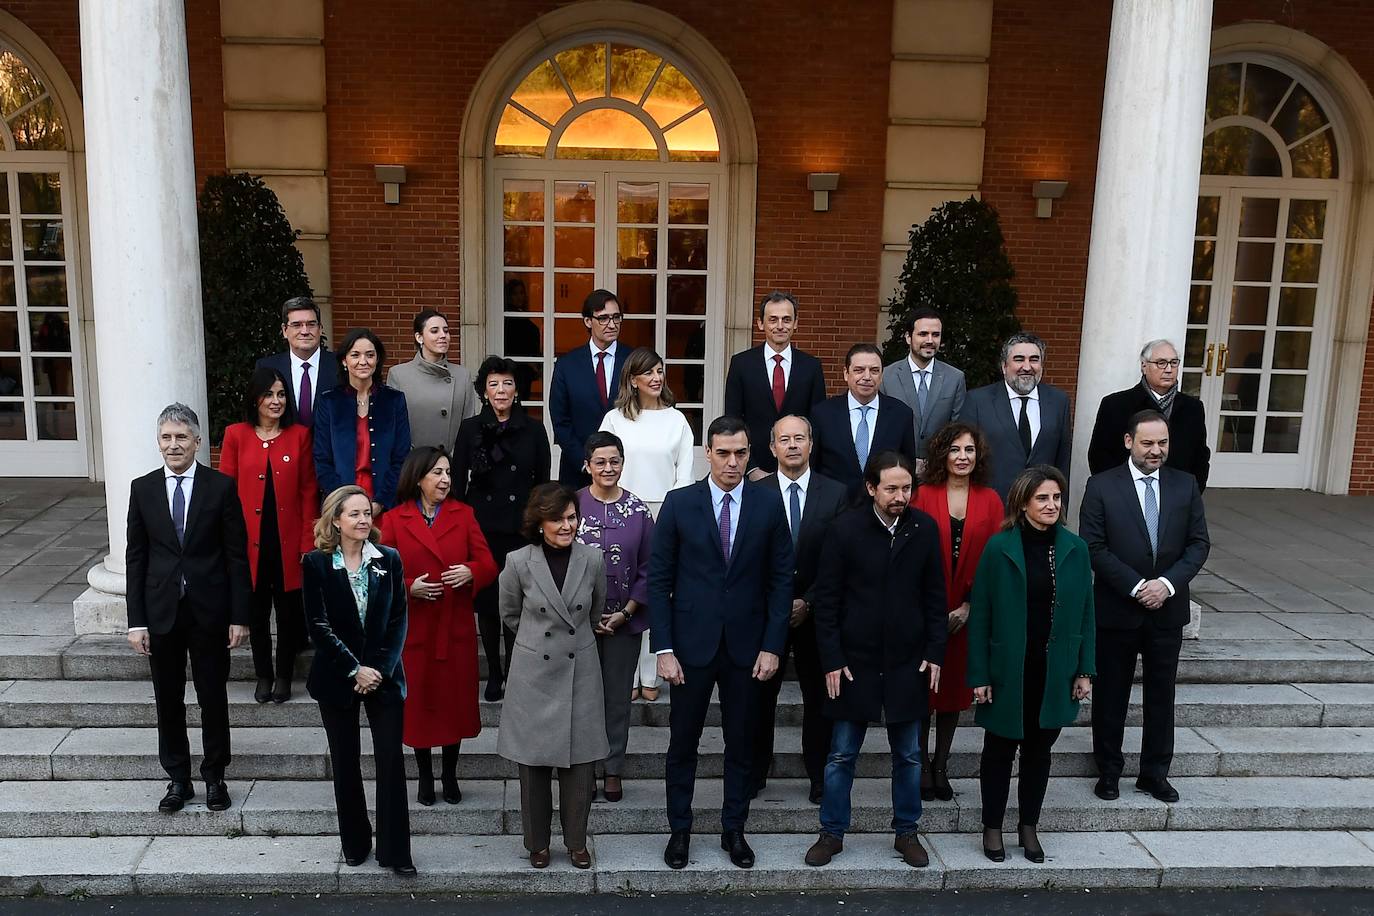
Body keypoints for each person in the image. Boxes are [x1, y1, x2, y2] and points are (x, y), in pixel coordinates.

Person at [648, 415, 794, 871]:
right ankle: (680, 831)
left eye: (741, 453)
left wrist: (773, 646)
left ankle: (735, 830)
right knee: (682, 745)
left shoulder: (769, 506)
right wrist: (664, 648)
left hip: (748, 649)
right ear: (707, 454)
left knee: (742, 746)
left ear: (751, 454)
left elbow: (780, 581)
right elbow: (659, 580)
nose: (733, 462)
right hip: (690, 647)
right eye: (724, 453)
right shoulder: (678, 503)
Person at [804, 450, 947, 869]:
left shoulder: (924, 529)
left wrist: (934, 651)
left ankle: (907, 833)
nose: (901, 496)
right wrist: (831, 658)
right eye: (892, 489)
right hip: (854, 662)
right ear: (871, 488)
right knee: (841, 755)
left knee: (909, 756)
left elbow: (936, 598)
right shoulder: (845, 529)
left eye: (906, 488)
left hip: (908, 662)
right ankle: (831, 833)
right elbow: (826, 601)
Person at [126, 403, 252, 813]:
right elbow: (136, 558)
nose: (174, 444)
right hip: (161, 610)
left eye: (182, 437)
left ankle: (215, 775)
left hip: (210, 610)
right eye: (167, 437)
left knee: (212, 695)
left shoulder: (220, 487)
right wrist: (136, 621)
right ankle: (178, 779)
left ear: (198, 442)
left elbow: (236, 556)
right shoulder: (142, 489)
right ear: (158, 442)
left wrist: (239, 615)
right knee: (168, 698)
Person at [1081, 409, 1210, 804]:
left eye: (1162, 443)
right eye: (1148, 443)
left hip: (1166, 610)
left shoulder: (1185, 485)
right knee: (1111, 695)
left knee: (1161, 694)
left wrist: (1166, 585)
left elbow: (1198, 544)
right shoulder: (1101, 486)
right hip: (1118, 609)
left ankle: (1155, 773)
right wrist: (1138, 586)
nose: (1156, 451)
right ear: (1128, 442)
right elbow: (1094, 546)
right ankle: (1108, 771)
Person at [967, 466, 1095, 864]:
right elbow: (981, 614)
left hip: (1054, 669)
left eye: (1056, 498)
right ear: (1023, 503)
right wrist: (979, 674)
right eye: (1042, 498)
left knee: (1040, 753)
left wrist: (1085, 670)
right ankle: (992, 827)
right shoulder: (999, 547)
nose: (1051, 505)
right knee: (999, 751)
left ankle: (1028, 826)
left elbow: (1087, 613)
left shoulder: (1076, 548)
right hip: (1008, 670)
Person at [302, 485, 414, 876]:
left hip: (383, 678)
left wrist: (377, 670)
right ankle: (355, 843)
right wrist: (354, 669)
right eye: (354, 514)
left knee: (390, 762)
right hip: (337, 678)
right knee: (345, 763)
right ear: (335, 520)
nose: (364, 520)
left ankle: (396, 852)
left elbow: (398, 620)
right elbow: (318, 625)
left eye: (367, 513)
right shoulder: (315, 563)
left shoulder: (389, 559)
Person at [497, 483, 608, 870]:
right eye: (558, 518)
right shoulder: (517, 561)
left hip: (580, 668)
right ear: (539, 521)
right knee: (533, 766)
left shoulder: (592, 559)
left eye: (572, 517)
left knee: (580, 766)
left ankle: (577, 842)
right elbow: (510, 614)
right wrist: (531, 643)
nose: (567, 525)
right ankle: (537, 844)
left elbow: (594, 614)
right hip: (534, 674)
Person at [380, 446, 498, 806]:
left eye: (448, 473)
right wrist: (408, 586)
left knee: (453, 705)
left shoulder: (464, 515)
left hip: (454, 626)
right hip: (415, 629)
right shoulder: (395, 520)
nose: (446, 479)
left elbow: (488, 563)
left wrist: (470, 572)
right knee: (419, 705)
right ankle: (425, 776)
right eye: (437, 473)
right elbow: (379, 571)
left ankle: (449, 774)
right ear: (418, 479)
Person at [750, 414, 847, 804]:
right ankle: (754, 771)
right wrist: (776, 603)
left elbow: (841, 559)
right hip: (764, 614)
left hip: (817, 613)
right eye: (784, 439)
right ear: (772, 448)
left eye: (799, 438)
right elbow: (747, 558)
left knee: (820, 700)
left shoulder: (837, 493)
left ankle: (819, 775)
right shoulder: (754, 492)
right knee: (758, 698)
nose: (792, 445)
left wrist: (809, 600)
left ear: (812, 444)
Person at [911, 421, 1002, 802]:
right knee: (922, 694)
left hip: (969, 614)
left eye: (968, 450)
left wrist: (970, 606)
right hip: (924, 612)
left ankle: (941, 766)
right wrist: (933, 611)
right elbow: (909, 557)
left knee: (952, 694)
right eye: (954, 450)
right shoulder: (922, 495)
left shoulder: (992, 499)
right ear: (942, 455)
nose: (962, 457)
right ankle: (916, 767)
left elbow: (997, 562)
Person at [598, 346, 695, 702]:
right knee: (625, 591)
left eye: (660, 371)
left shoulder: (677, 420)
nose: (656, 378)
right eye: (649, 372)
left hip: (664, 510)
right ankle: (628, 677)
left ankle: (652, 673)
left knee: (656, 588)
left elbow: (685, 473)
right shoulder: (614, 419)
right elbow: (602, 462)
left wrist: (672, 515)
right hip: (621, 511)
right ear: (632, 379)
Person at [452, 355, 552, 702]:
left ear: (517, 389)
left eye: (507, 383)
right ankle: (493, 673)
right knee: (489, 605)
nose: (501, 390)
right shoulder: (469, 429)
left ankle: (514, 670)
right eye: (493, 384)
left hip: (520, 530)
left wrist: (540, 525)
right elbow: (457, 484)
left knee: (518, 605)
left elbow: (543, 483)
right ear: (483, 390)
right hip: (482, 529)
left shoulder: (534, 429)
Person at [219, 367, 318, 704]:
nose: (276, 401)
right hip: (250, 544)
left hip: (288, 543)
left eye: (281, 394)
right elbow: (225, 493)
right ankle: (263, 674)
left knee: (289, 616)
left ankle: (284, 676)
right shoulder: (236, 435)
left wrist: (308, 542)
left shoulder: (300, 435)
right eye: (269, 394)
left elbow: (308, 493)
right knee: (257, 614)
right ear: (255, 398)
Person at [575, 431, 655, 803]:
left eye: (615, 461)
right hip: (577, 624)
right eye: (600, 461)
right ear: (587, 465)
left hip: (625, 621)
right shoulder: (571, 506)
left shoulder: (639, 511)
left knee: (617, 698)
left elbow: (651, 568)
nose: (608, 468)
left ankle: (613, 768)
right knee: (581, 698)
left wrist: (626, 612)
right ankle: (583, 770)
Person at [722, 291, 827, 477]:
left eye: (786, 320)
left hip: (799, 470)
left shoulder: (811, 366)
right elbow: (734, 421)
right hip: (754, 470)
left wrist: (807, 469)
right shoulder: (741, 364)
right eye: (773, 320)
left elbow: (816, 424)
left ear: (795, 323)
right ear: (760, 323)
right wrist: (751, 468)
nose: (780, 326)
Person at [960, 332, 1072, 500]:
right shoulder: (977, 401)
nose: (1027, 367)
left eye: (1034, 359)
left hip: (1041, 508)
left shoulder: (1058, 401)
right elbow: (964, 458)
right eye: (1019, 359)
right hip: (992, 506)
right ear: (1004, 366)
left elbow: (1062, 461)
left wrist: (1060, 508)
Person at [1087, 339, 1211, 490]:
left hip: (1177, 495)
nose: (1168, 369)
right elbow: (1100, 456)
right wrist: (1114, 494)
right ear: (1144, 366)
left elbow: (1200, 457)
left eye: (1174, 363)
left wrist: (1193, 492)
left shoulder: (1193, 408)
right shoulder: (1115, 405)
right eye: (1161, 363)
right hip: (1125, 495)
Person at [313, 328, 412, 516]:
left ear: (377, 360)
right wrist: (344, 501)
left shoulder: (394, 400)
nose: (363, 361)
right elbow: (322, 459)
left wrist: (380, 502)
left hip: (386, 505)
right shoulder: (329, 402)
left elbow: (401, 457)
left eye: (370, 355)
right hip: (340, 505)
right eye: (355, 355)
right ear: (344, 361)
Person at [810, 343, 917, 498]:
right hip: (833, 509)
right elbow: (813, 466)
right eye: (859, 370)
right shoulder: (822, 413)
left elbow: (908, 466)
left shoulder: (901, 414)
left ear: (881, 375)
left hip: (882, 509)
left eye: (874, 371)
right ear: (846, 374)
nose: (867, 377)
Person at [549, 289, 626, 485]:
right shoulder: (567, 364)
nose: (612, 324)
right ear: (587, 321)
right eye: (603, 318)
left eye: (616, 317)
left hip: (625, 471)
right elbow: (560, 419)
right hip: (578, 471)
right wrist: (585, 462)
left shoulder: (633, 361)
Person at [879, 308, 967, 470]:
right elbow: (881, 428)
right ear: (908, 337)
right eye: (923, 334)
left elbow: (957, 429)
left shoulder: (955, 378)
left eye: (935, 335)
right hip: (895, 469)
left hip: (938, 471)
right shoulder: (886, 376)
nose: (930, 340)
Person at [385, 308, 479, 451]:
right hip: (414, 466)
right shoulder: (399, 375)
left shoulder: (462, 375)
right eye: (435, 331)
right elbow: (394, 427)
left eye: (446, 331)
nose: (443, 335)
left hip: (451, 465)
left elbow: (469, 425)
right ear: (419, 337)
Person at [256, 296, 337, 428]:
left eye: (311, 324)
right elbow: (258, 416)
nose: (304, 331)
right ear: (284, 330)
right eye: (296, 325)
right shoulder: (266, 367)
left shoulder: (341, 365)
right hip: (283, 447)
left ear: (320, 329)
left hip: (330, 448)